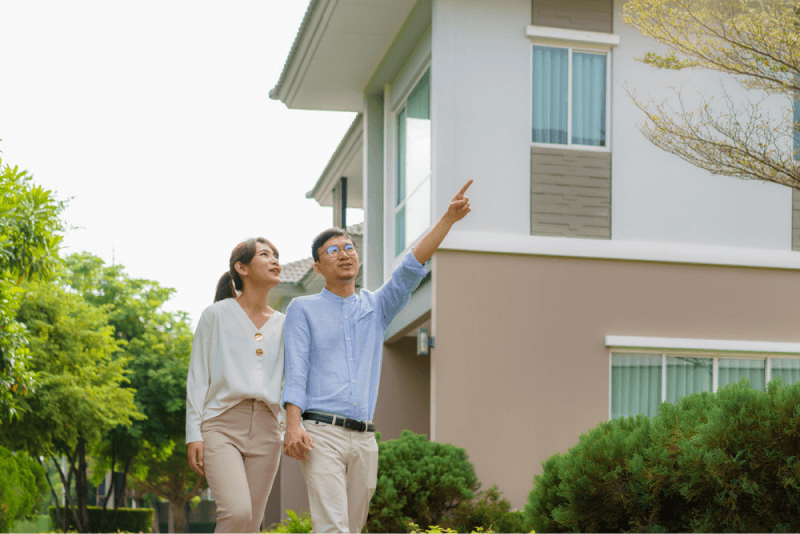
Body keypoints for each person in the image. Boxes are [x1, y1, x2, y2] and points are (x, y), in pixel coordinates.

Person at [283, 180, 474, 534]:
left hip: (365, 439)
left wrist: (448, 219)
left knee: (351, 529)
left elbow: (412, 266)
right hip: (320, 432)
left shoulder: (376, 307)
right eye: (333, 250)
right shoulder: (302, 309)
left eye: (349, 247)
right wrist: (292, 426)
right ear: (318, 267)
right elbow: (295, 371)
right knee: (332, 528)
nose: (344, 253)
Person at [185, 237, 286, 534]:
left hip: (268, 429)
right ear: (241, 267)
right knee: (238, 513)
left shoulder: (284, 323)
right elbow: (198, 377)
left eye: (277, 255)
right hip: (221, 425)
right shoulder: (215, 315)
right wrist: (194, 433)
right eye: (265, 255)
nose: (275, 260)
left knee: (251, 524)